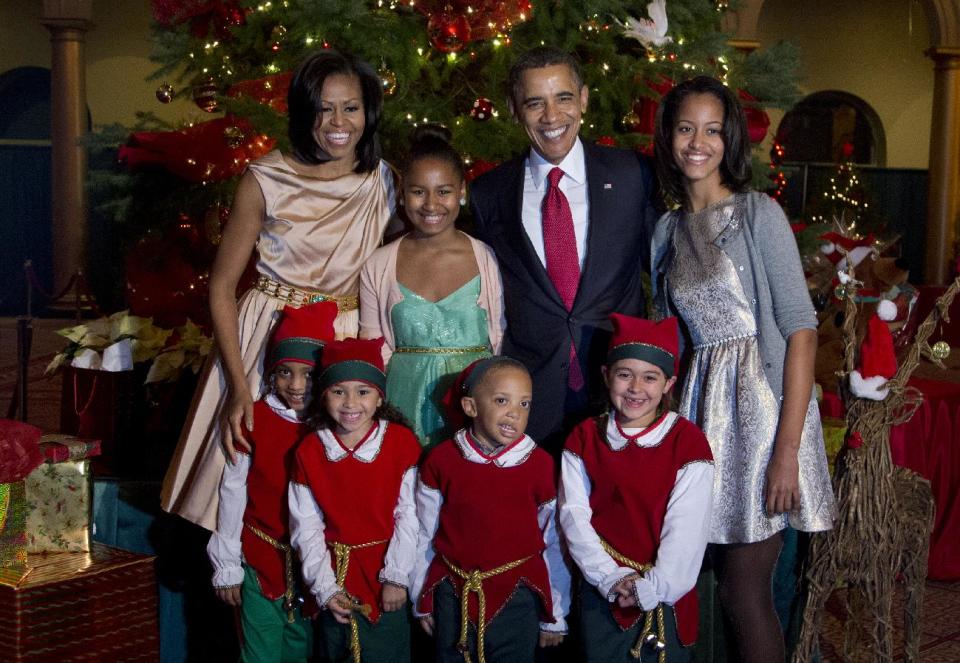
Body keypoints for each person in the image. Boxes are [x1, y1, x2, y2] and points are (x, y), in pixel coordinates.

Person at [162, 49, 399, 529]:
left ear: (368, 111)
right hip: (266, 337)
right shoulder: (265, 177)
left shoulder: (384, 181)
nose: (338, 122)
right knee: (251, 487)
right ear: (302, 110)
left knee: (335, 492)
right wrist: (237, 384)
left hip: (343, 337)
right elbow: (223, 286)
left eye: (350, 107)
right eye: (323, 107)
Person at [650, 76, 835, 662]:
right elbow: (667, 336)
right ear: (669, 137)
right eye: (685, 128)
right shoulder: (666, 229)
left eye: (711, 129)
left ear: (729, 140)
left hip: (764, 416)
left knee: (743, 589)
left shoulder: (759, 215)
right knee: (705, 583)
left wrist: (787, 450)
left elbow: (801, 329)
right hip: (704, 415)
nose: (696, 143)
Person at [469, 46, 660, 453]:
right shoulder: (489, 194)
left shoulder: (631, 176)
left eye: (564, 98)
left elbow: (665, 271)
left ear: (584, 98)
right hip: (529, 400)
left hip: (620, 392)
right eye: (535, 103)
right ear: (514, 109)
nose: (552, 117)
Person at [559, 313, 714, 662]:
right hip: (604, 590)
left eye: (650, 378)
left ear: (668, 384)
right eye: (624, 374)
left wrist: (656, 586)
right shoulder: (584, 437)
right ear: (606, 376)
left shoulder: (687, 442)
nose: (636, 388)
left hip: (667, 594)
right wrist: (609, 576)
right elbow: (573, 515)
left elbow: (688, 526)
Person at [411, 356, 570, 663]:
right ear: (470, 407)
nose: (514, 413)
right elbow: (423, 532)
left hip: (519, 596)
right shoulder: (442, 460)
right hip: (453, 592)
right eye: (501, 400)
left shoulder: (540, 465)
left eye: (524, 404)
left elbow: (553, 542)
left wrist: (556, 614)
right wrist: (422, 596)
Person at [206, 300, 337, 662]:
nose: (296, 385)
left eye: (308, 374)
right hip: (260, 559)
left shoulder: (332, 426)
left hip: (313, 564)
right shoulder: (254, 419)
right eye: (285, 372)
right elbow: (232, 491)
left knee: (300, 649)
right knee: (260, 653)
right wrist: (227, 563)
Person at [360, 124, 505, 447]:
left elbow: (500, 339)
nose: (430, 204)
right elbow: (373, 349)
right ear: (401, 193)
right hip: (403, 406)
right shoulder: (378, 264)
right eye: (418, 191)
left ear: (462, 192)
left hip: (474, 410)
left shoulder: (488, 259)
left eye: (444, 191)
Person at [289, 337, 420, 663]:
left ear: (379, 398)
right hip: (335, 576)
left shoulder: (401, 444)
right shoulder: (309, 451)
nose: (350, 403)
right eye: (338, 391)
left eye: (363, 392)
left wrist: (396, 577)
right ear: (323, 396)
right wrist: (326, 588)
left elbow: (409, 514)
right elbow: (305, 526)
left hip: (384, 577)